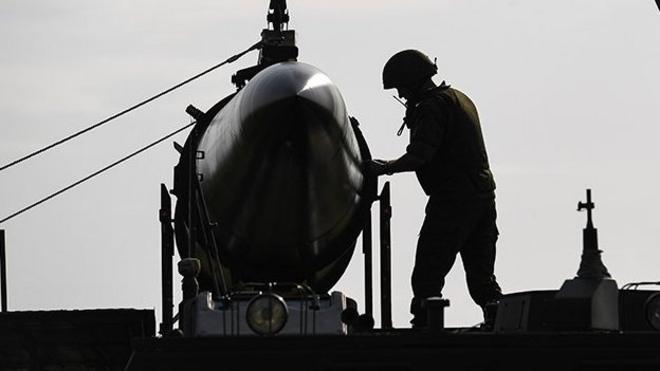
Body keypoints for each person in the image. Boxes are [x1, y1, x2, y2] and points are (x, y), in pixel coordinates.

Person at [368, 49, 502, 327]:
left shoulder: (432, 107)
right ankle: (499, 324)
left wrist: (384, 167)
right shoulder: (459, 99)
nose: (402, 96)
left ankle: (426, 333)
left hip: (453, 200)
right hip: (483, 197)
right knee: (482, 279)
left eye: (402, 89)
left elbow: (420, 156)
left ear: (413, 82)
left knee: (428, 273)